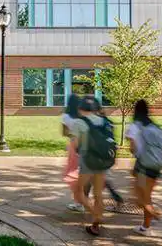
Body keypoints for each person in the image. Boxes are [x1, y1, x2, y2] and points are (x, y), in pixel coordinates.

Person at [71, 96, 114, 236]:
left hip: (87, 161)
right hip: (103, 161)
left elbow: (76, 145)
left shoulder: (79, 122)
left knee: (79, 192)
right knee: (98, 194)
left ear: (81, 109)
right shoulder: (105, 121)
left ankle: (97, 215)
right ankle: (96, 226)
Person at [126, 100, 162, 237]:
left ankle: (158, 215)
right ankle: (145, 227)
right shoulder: (154, 126)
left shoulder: (134, 127)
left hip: (142, 166)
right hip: (156, 166)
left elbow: (133, 149)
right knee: (147, 197)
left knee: (139, 198)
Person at [62, 94, 83, 212]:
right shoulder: (82, 116)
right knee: (83, 173)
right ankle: (84, 199)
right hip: (85, 147)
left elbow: (64, 133)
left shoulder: (66, 117)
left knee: (73, 173)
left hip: (73, 146)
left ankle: (78, 202)